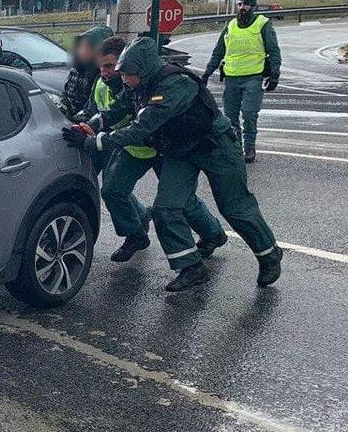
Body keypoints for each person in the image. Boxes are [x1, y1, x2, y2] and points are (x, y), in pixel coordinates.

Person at [63, 37, 282, 291]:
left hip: (215, 146)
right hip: (181, 150)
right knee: (166, 208)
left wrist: (91, 143)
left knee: (235, 207)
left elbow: (139, 129)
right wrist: (93, 125)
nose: (125, 80)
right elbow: (117, 109)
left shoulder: (175, 85)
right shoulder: (139, 85)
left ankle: (268, 254)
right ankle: (191, 266)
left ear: (143, 70)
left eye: (129, 75)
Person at [81, 36, 227, 263]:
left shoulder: (145, 82)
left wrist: (97, 140)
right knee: (112, 189)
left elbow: (138, 123)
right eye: (102, 67)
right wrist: (87, 125)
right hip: (132, 147)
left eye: (110, 66)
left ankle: (213, 234)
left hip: (163, 147)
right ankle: (136, 234)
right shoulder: (105, 83)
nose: (105, 72)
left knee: (182, 201)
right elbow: (105, 112)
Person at [201, 0, 282, 163]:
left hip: (254, 76)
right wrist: (207, 73)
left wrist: (274, 74)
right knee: (230, 117)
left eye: (246, 4)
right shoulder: (230, 26)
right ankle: (235, 148)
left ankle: (250, 147)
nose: (242, 8)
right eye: (239, 4)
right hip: (231, 77)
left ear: (253, 6)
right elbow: (218, 52)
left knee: (249, 112)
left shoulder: (262, 24)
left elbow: (274, 50)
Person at [59, 25, 112, 118]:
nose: (81, 50)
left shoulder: (102, 74)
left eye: (87, 47)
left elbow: (93, 107)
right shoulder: (76, 69)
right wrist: (63, 108)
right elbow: (65, 95)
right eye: (81, 46)